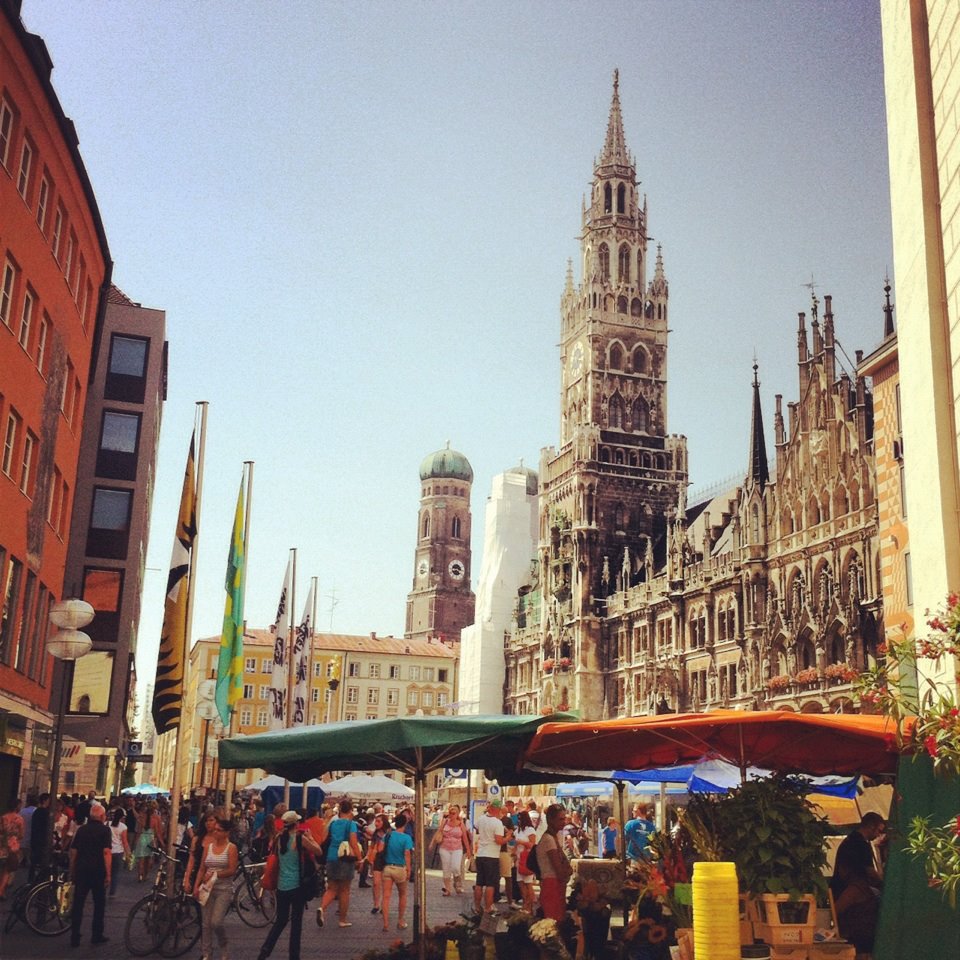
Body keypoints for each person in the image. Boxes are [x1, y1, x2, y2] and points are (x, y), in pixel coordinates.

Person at [257, 811, 322, 960]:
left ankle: (265, 950)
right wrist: (311, 838)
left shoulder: (278, 838)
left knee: (280, 921)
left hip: (282, 886)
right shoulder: (299, 838)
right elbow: (319, 851)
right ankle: (294, 956)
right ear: (296, 824)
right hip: (297, 886)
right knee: (296, 924)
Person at [830, 812, 886, 954]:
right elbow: (870, 871)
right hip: (851, 893)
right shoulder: (860, 844)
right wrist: (884, 883)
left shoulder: (850, 840)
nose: (878, 835)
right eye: (879, 831)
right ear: (871, 826)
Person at [193, 817, 238, 960]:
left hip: (223, 889)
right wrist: (196, 886)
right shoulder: (208, 847)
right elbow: (202, 868)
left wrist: (215, 874)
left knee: (216, 922)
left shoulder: (231, 848)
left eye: (219, 830)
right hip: (207, 888)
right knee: (206, 923)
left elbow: (232, 869)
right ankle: (207, 953)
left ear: (226, 833)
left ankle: (223, 945)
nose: (215, 832)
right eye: (215, 830)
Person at [69, 802, 111, 947]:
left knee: (78, 903)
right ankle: (96, 934)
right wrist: (108, 874)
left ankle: (75, 935)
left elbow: (74, 851)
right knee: (99, 904)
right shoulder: (105, 830)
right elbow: (106, 852)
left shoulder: (82, 830)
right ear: (102, 816)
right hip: (98, 871)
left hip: (82, 869)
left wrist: (72, 869)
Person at [317, 799, 362, 928]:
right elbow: (353, 842)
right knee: (344, 890)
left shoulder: (333, 823)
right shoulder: (351, 824)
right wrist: (359, 858)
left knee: (331, 888)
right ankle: (342, 919)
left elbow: (323, 838)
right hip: (345, 858)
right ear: (350, 810)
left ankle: (321, 908)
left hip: (331, 856)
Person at [378, 811, 415, 931]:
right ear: (405, 824)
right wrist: (409, 869)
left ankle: (385, 923)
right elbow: (407, 854)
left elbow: (380, 849)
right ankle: (400, 921)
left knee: (386, 896)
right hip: (400, 867)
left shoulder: (388, 835)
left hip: (388, 867)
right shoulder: (406, 838)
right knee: (402, 894)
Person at [538, 804, 573, 921]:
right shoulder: (548, 840)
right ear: (550, 820)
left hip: (556, 885)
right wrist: (567, 871)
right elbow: (560, 870)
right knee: (553, 923)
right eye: (560, 819)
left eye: (564, 819)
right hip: (551, 885)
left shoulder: (553, 838)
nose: (564, 822)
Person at [473, 798, 507, 915]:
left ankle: (477, 907)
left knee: (479, 883)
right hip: (491, 855)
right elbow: (499, 841)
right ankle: (488, 907)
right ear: (497, 809)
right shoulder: (497, 823)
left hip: (480, 854)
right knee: (490, 884)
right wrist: (508, 837)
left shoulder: (481, 818)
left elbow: (476, 828)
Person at [431, 805, 471, 896]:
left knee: (455, 867)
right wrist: (432, 843)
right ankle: (447, 889)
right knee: (446, 869)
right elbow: (439, 831)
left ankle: (457, 883)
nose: (451, 815)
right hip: (445, 848)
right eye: (450, 813)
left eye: (453, 813)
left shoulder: (461, 824)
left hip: (457, 848)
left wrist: (468, 850)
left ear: (457, 814)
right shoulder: (445, 822)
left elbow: (465, 837)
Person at [365, 812, 391, 915]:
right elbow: (372, 846)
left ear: (384, 822)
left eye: (379, 821)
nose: (376, 823)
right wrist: (368, 857)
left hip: (387, 858)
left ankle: (384, 905)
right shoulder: (376, 834)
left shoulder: (390, 833)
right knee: (376, 883)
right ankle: (376, 904)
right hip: (377, 859)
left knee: (386, 884)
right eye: (376, 821)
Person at [513, 810, 537, 913]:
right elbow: (515, 843)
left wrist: (521, 842)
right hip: (519, 860)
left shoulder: (530, 830)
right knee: (520, 883)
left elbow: (532, 845)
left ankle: (529, 906)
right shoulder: (517, 830)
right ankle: (525, 904)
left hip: (527, 859)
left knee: (528, 883)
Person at [0, 800, 24, 899]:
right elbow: (21, 834)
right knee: (7, 870)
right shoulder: (19, 819)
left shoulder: (3, 817)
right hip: (13, 845)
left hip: (2, 844)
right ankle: (1, 890)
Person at [135, 800, 162, 881]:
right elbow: (158, 832)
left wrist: (136, 841)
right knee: (149, 859)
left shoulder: (142, 817)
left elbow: (139, 830)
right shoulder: (156, 818)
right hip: (151, 838)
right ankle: (145, 875)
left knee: (142, 858)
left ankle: (140, 875)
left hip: (142, 837)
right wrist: (161, 842)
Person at [108, 807, 131, 896]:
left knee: (106, 871)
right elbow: (124, 841)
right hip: (118, 851)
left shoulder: (107, 824)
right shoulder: (123, 827)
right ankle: (112, 891)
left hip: (108, 850)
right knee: (115, 873)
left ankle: (104, 887)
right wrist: (128, 852)